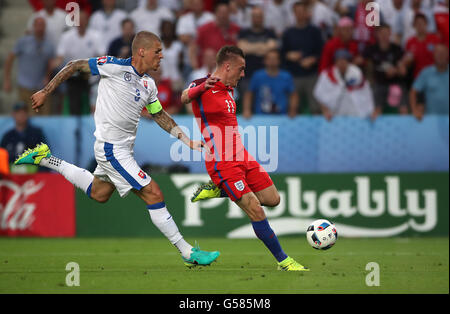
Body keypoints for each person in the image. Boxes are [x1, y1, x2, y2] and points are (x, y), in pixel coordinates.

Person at [14, 31, 220, 267]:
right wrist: (46, 91)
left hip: (122, 150)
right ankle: (188, 252)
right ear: (141, 51)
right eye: (157, 51)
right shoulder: (112, 66)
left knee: (99, 193)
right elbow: (73, 65)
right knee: (153, 193)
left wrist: (187, 140)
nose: (161, 56)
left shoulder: (148, 85)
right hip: (112, 149)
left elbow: (159, 115)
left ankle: (45, 159)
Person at [181, 46, 309, 271]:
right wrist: (201, 87)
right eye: (241, 70)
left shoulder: (230, 90)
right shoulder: (203, 84)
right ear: (227, 66)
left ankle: (219, 190)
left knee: (273, 199)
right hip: (222, 161)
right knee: (255, 209)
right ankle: (284, 261)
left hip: (242, 156)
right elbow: (183, 97)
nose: (243, 75)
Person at [3, 17, 54, 115]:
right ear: (33, 27)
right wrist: (7, 80)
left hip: (41, 88)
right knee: (25, 116)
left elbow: (50, 63)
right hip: (25, 87)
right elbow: (9, 60)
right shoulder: (23, 42)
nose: (40, 28)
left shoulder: (49, 45)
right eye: (38, 25)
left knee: (44, 116)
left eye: (42, 26)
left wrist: (47, 76)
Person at [281, 1, 323, 114]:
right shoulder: (288, 32)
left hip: (312, 75)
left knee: (316, 108)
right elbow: (282, 54)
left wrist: (313, 59)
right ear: (294, 13)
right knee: (293, 109)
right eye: (297, 12)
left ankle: (317, 130)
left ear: (307, 13)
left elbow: (321, 51)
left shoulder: (315, 31)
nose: (299, 14)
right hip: (294, 76)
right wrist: (289, 55)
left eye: (302, 11)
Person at [314, 49, 375, 120]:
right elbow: (319, 94)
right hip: (334, 113)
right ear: (335, 62)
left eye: (344, 60)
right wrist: (325, 110)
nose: (341, 63)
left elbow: (365, 93)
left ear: (348, 61)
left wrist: (370, 110)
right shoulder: (326, 75)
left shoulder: (357, 73)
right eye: (339, 60)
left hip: (355, 112)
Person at [363, 24, 408, 118]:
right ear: (377, 34)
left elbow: (403, 70)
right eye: (382, 33)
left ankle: (404, 128)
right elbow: (363, 63)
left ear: (390, 33)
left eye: (386, 33)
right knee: (376, 111)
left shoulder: (396, 49)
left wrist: (395, 70)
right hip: (379, 83)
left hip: (396, 83)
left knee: (403, 110)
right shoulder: (371, 49)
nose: (384, 36)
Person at [243, 49, 298, 118]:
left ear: (279, 61)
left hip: (282, 117)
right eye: (269, 59)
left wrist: (292, 110)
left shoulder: (286, 76)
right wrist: (247, 110)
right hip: (260, 117)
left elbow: (293, 95)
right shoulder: (257, 76)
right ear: (264, 61)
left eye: (275, 59)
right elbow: (249, 94)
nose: (272, 61)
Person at [0, 102, 47, 173]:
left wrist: (40, 174)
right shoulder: (8, 136)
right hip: (10, 177)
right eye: (18, 113)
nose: (21, 115)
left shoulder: (36, 133)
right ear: (13, 115)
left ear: (28, 114)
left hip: (32, 177)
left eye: (24, 112)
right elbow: (2, 156)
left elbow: (44, 155)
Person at [410, 43, 449, 120]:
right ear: (433, 55)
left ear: (447, 55)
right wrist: (414, 110)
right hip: (431, 120)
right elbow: (413, 92)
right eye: (438, 53)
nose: (440, 56)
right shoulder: (426, 73)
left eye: (443, 53)